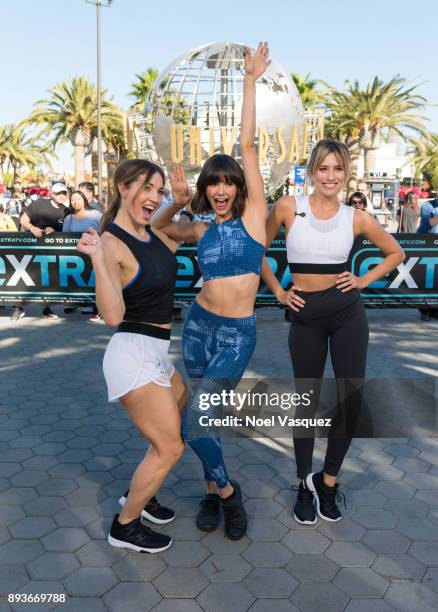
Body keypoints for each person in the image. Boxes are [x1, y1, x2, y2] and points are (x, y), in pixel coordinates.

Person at [151, 42, 270, 540]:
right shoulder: (198, 228)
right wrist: (173, 203)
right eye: (212, 184)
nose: (220, 190)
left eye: (228, 184)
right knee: (205, 418)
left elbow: (247, 145)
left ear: (239, 187)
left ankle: (227, 492)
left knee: (197, 421)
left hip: (236, 335)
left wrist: (249, 80)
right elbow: (158, 230)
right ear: (205, 188)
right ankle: (214, 491)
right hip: (197, 327)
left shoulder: (256, 219)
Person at [262, 138, 404, 524]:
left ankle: (328, 482)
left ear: (345, 174)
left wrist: (362, 279)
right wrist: (278, 291)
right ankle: (304, 485)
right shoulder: (290, 208)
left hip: (347, 315)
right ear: (311, 172)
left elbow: (396, 252)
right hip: (305, 314)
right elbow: (253, 246)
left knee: (350, 398)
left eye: (337, 169)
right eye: (323, 168)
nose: (330, 176)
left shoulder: (355, 217)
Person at [76, 158, 188, 553]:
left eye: (159, 190)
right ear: (123, 188)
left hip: (157, 350)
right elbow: (112, 315)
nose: (154, 197)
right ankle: (125, 525)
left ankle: (143, 490)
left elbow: (169, 228)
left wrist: (177, 202)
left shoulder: (150, 230)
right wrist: (96, 261)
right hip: (132, 352)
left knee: (179, 406)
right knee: (170, 446)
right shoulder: (109, 243)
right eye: (147, 188)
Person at [10, 183, 69, 322]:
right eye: (59, 193)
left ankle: (46, 309)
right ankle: (18, 308)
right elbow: (23, 220)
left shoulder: (67, 211)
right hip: (30, 246)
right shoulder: (39, 204)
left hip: (50, 250)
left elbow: (66, 230)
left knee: (46, 279)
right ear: (52, 194)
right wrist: (32, 228)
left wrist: (55, 232)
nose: (62, 195)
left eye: (64, 193)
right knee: (25, 277)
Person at [63, 191, 103, 321]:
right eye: (73, 200)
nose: (75, 202)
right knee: (83, 280)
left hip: (96, 254)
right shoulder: (69, 218)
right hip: (77, 256)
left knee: (97, 281)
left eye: (78, 199)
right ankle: (84, 304)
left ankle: (99, 309)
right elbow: (65, 237)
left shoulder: (96, 215)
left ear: (84, 200)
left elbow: (106, 231)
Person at [417, 196, 438, 320]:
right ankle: (424, 311)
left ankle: (435, 311)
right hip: (427, 246)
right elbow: (428, 224)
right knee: (426, 278)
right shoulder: (428, 206)